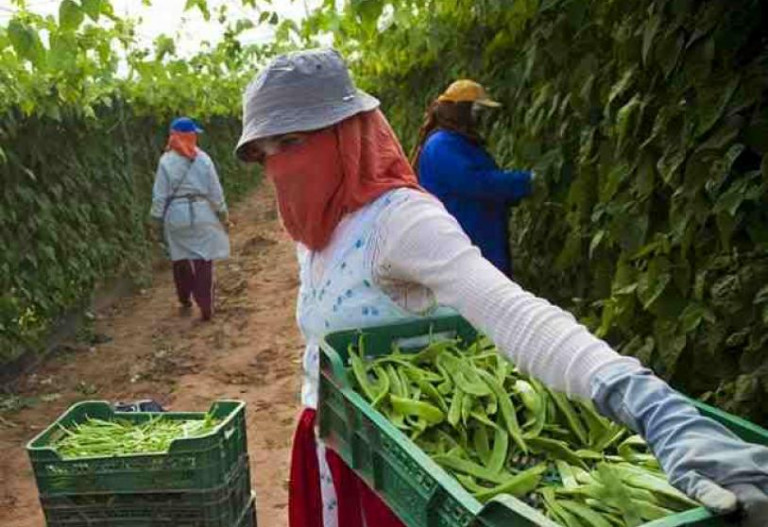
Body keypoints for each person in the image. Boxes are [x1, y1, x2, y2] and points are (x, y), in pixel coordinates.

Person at [234, 49, 768, 527]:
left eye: (293, 142)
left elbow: (514, 313)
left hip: (397, 467)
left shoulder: (398, 222)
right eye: (266, 150)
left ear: (345, 133)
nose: (278, 164)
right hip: (331, 437)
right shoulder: (315, 224)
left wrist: (648, 404)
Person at [411, 79, 533, 276]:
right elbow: (477, 183)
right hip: (464, 249)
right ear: (462, 111)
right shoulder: (442, 145)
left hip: (478, 245)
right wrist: (527, 181)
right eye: (478, 111)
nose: (481, 118)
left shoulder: (459, 142)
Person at [150, 117, 230, 321]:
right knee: (204, 259)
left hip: (176, 215)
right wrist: (222, 213)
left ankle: (185, 299)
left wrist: (155, 219)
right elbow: (215, 189)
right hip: (202, 211)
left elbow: (159, 195)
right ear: (190, 136)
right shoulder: (203, 158)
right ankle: (205, 305)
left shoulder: (165, 161)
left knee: (180, 257)